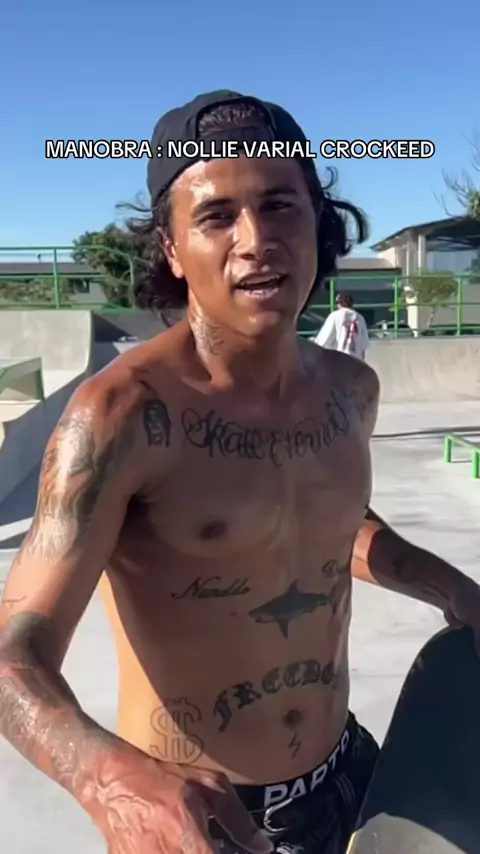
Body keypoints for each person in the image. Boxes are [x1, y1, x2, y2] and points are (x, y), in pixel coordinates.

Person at [1, 90, 480, 854]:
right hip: (207, 819)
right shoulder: (122, 416)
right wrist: (106, 780)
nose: (256, 240)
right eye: (217, 216)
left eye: (280, 205)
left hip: (347, 776)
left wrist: (451, 588)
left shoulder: (350, 390)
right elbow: (12, 657)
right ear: (171, 248)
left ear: (318, 222)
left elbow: (330, 520)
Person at [314, 294, 369, 360]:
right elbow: (364, 343)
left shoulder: (335, 315)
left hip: (340, 358)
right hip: (356, 359)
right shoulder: (360, 318)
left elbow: (324, 339)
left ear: (339, 304)